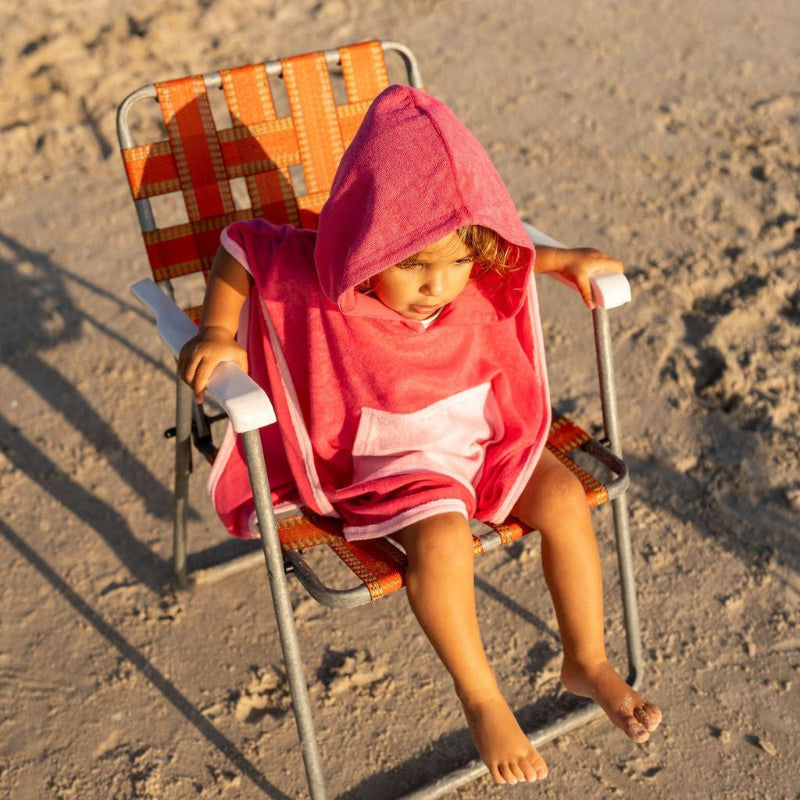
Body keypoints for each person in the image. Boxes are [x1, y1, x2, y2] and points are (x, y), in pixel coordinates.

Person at [179, 84, 661, 785]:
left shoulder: (472, 270)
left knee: (560, 498)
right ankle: (483, 698)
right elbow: (238, 247)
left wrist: (564, 259)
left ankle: (586, 659)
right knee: (442, 539)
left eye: (458, 263)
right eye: (414, 266)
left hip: (475, 434)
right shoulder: (315, 272)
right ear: (365, 247)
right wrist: (218, 332)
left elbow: (510, 251)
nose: (439, 285)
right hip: (388, 457)